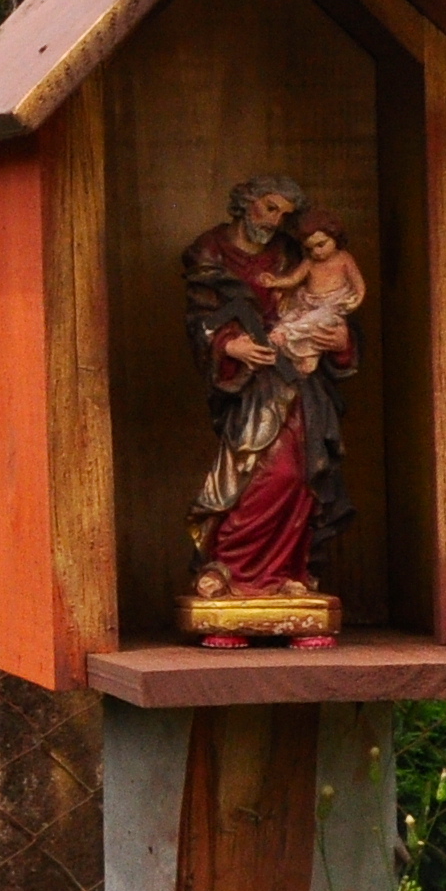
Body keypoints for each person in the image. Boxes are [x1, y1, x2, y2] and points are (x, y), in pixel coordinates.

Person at [181, 172, 353, 636]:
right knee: (251, 472)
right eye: (269, 208)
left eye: (284, 214)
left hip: (298, 376)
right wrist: (229, 346)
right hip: (249, 386)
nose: (276, 220)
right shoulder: (209, 252)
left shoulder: (296, 255)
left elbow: (326, 305)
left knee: (298, 474)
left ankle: (287, 574)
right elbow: (200, 319)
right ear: (245, 204)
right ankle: (228, 569)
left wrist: (339, 341)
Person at [262, 220, 363, 373]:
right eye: (310, 248)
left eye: (321, 245)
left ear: (335, 238)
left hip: (332, 304)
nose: (317, 252)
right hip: (308, 302)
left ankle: (308, 353)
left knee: (313, 325)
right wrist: (275, 281)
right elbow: (293, 279)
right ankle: (282, 333)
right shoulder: (310, 262)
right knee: (292, 316)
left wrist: (358, 298)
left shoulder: (344, 259)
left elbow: (358, 284)